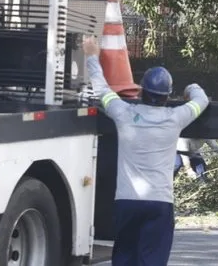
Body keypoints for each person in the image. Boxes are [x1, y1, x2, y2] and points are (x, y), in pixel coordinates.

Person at [83, 36, 210, 266]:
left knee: (124, 258)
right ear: (167, 96)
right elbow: (201, 100)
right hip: (159, 204)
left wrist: (92, 55)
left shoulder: (123, 113)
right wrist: (190, 89)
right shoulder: (176, 118)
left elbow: (101, 88)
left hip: (127, 202)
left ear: (141, 91)